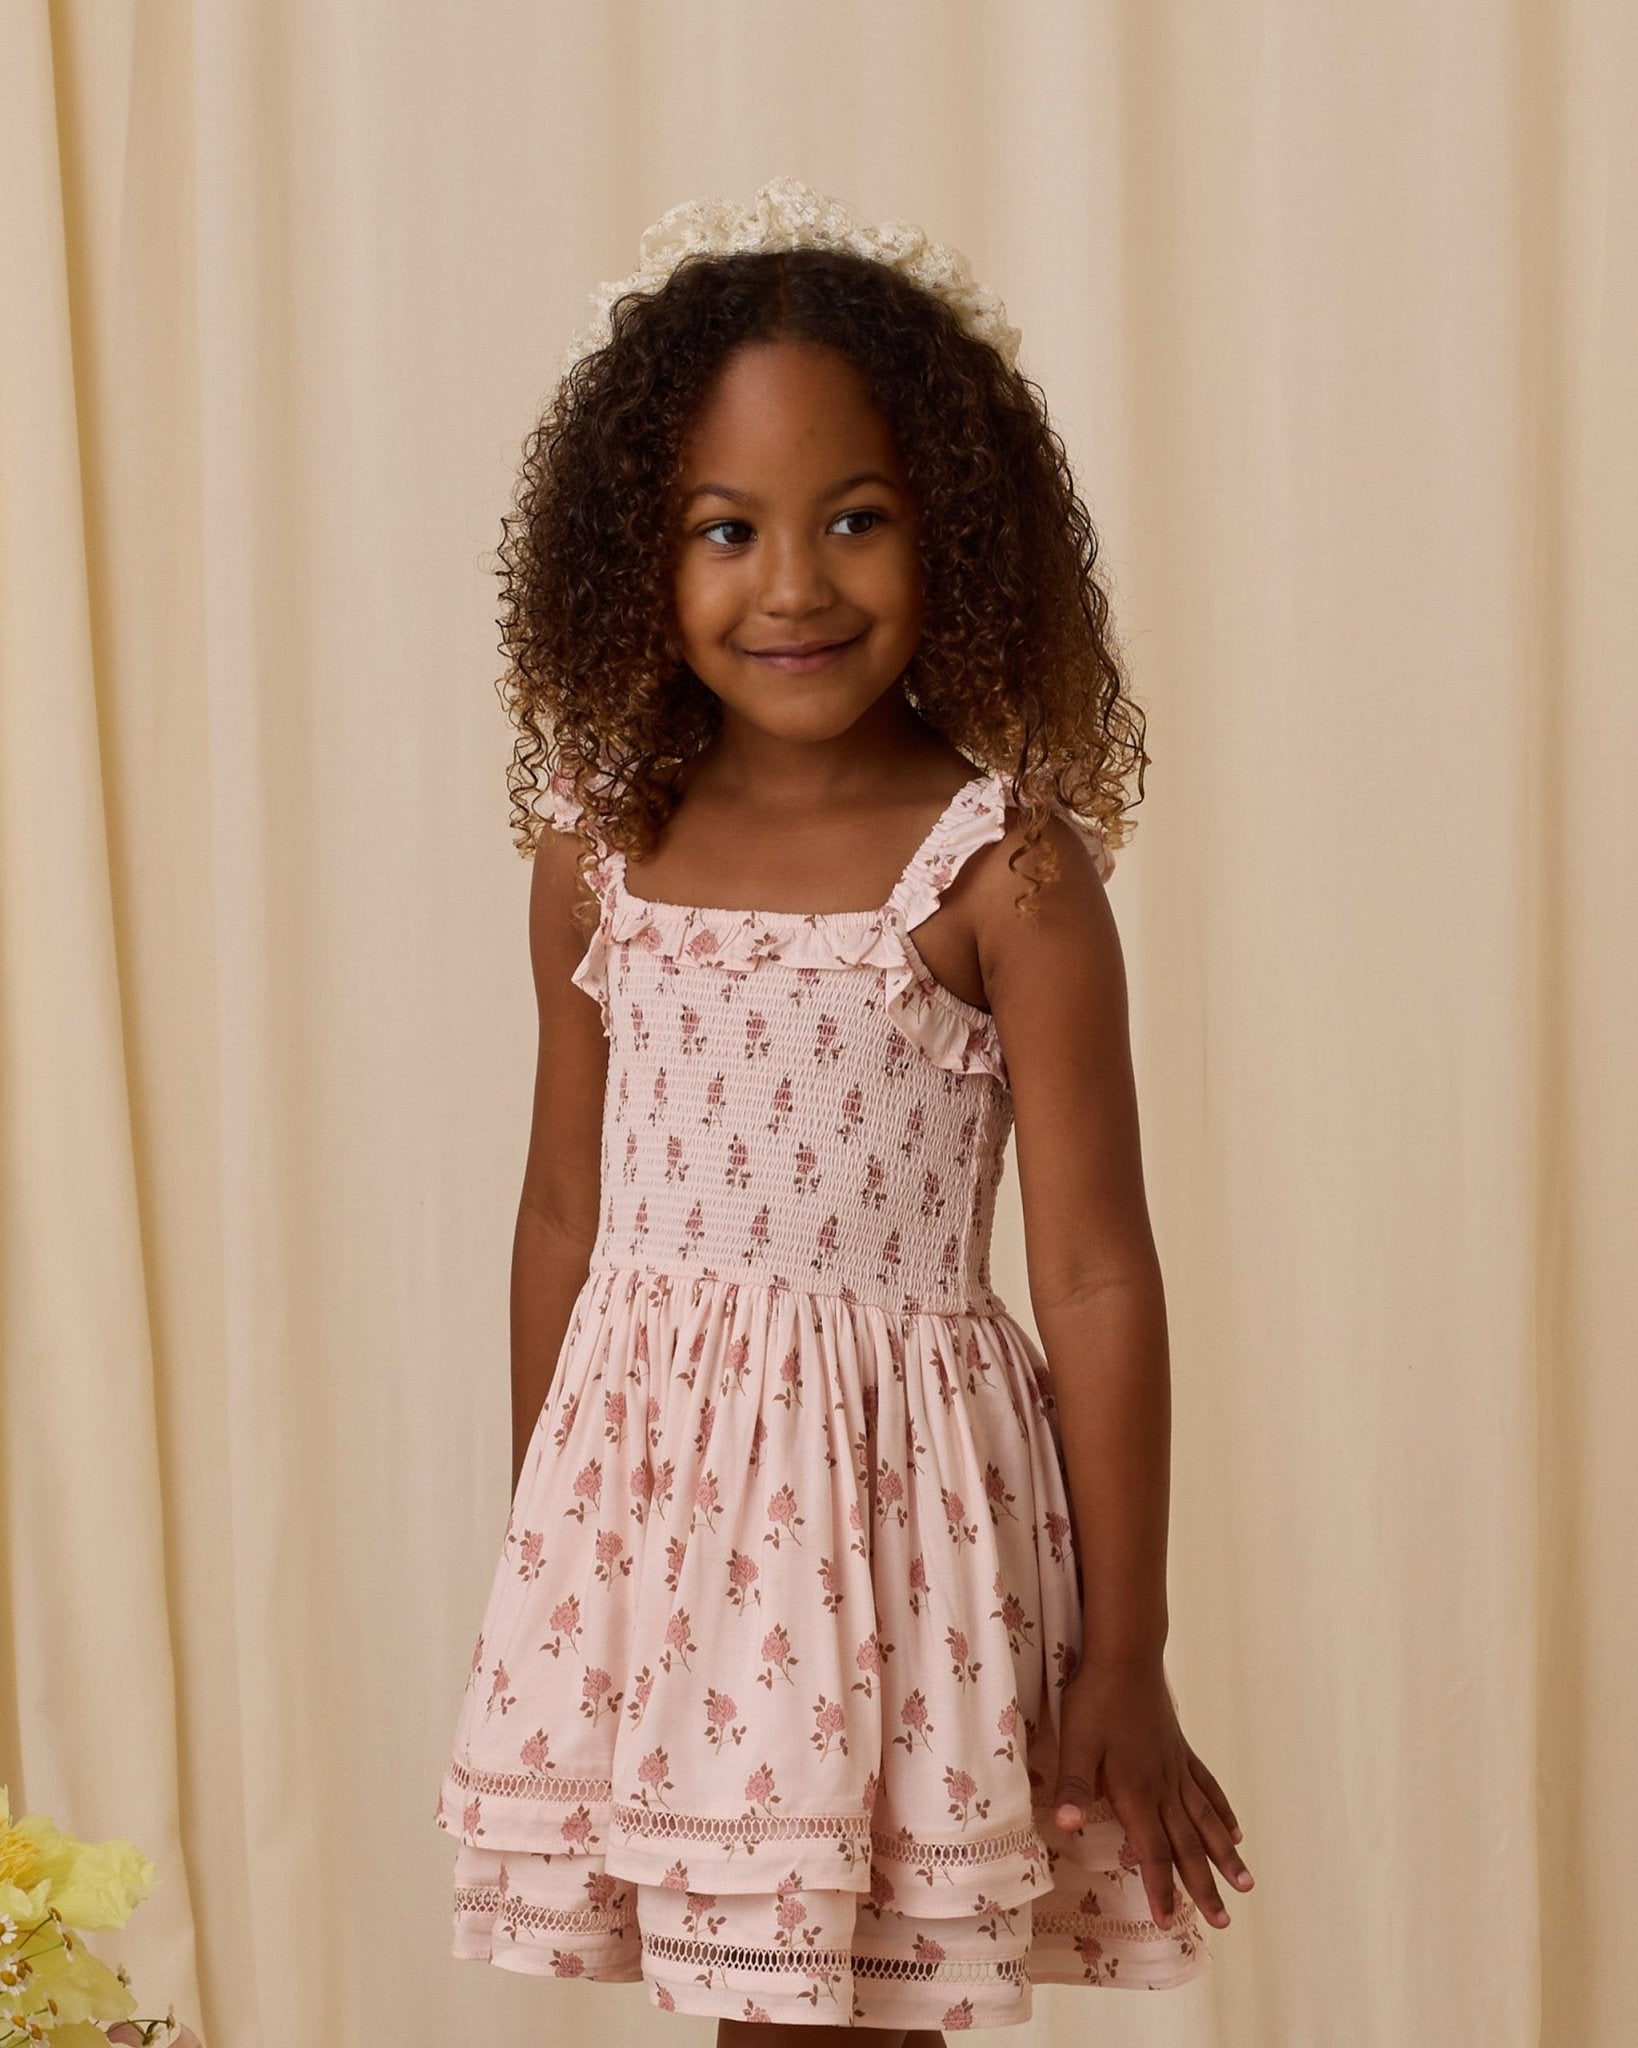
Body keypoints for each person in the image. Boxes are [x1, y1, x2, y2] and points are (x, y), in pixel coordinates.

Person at [433, 178, 1253, 2039]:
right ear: (631, 560)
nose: (792, 584)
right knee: (779, 2006)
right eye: (724, 529)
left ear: (956, 532)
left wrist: (1128, 1648)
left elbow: (1095, 1274)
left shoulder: (1003, 872)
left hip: (893, 1533)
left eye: (856, 519)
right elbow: (562, 1214)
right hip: (652, 1527)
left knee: (839, 2005)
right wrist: (548, 1549)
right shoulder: (595, 853)